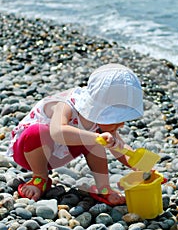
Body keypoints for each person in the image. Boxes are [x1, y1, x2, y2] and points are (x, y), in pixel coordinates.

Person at [7, 63, 144, 205]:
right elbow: (57, 132)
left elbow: (121, 148)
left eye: (122, 120)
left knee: (95, 140)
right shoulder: (65, 104)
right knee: (39, 132)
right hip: (29, 152)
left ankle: (103, 188)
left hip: (59, 153)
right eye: (114, 119)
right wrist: (96, 138)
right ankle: (40, 177)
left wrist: (142, 166)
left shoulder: (98, 121)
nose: (120, 125)